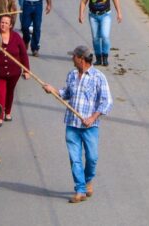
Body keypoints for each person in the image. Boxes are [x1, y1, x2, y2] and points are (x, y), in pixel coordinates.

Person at [42, 45, 113, 204]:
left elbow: (107, 102)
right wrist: (53, 90)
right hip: (72, 124)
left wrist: (92, 118)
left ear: (81, 59)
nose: (72, 59)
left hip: (90, 127)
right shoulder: (72, 75)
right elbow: (66, 94)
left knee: (92, 158)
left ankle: (88, 180)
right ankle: (80, 189)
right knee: (75, 159)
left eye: (73, 56)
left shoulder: (98, 77)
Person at [78, 0, 123, 66]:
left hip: (105, 14)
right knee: (95, 38)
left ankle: (105, 57)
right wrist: (81, 14)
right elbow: (83, 2)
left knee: (105, 36)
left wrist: (119, 13)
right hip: (93, 16)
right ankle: (98, 58)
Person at [0, 15, 29, 127]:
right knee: (0, 93)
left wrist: (26, 70)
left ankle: (8, 112)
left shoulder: (16, 37)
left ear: (10, 25)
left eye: (6, 23)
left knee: (9, 92)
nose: (3, 25)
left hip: (14, 72)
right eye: (2, 22)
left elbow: (23, 54)